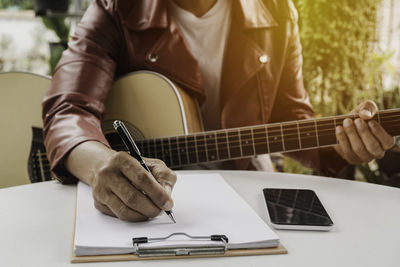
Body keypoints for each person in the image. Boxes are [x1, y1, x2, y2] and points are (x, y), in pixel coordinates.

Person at [42, 0, 395, 222]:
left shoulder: (278, 10)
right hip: (153, 203)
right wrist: (100, 163)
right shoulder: (116, 7)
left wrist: (343, 143)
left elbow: (290, 115)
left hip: (245, 186)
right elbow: (68, 109)